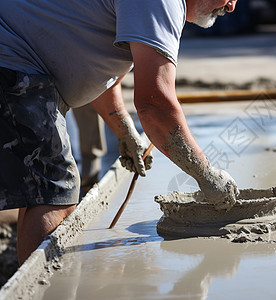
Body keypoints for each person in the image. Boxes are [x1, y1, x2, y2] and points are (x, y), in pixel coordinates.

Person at [0, 0, 239, 265]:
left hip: (15, 59)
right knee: (55, 189)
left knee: (42, 189)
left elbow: (94, 63)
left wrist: (122, 128)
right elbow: (155, 103)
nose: (231, 7)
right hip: (11, 60)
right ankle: (42, 291)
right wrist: (206, 175)